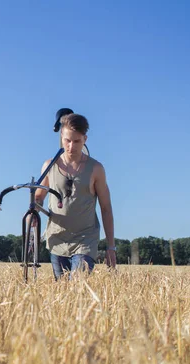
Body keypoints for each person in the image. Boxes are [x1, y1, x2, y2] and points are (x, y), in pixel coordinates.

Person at [34, 110, 116, 279]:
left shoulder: (96, 169)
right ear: (61, 138)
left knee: (78, 287)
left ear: (85, 139)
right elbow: (38, 198)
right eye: (67, 140)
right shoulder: (49, 166)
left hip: (85, 239)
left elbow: (106, 208)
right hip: (57, 240)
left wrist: (111, 247)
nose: (71, 146)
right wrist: (33, 214)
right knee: (63, 294)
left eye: (77, 141)